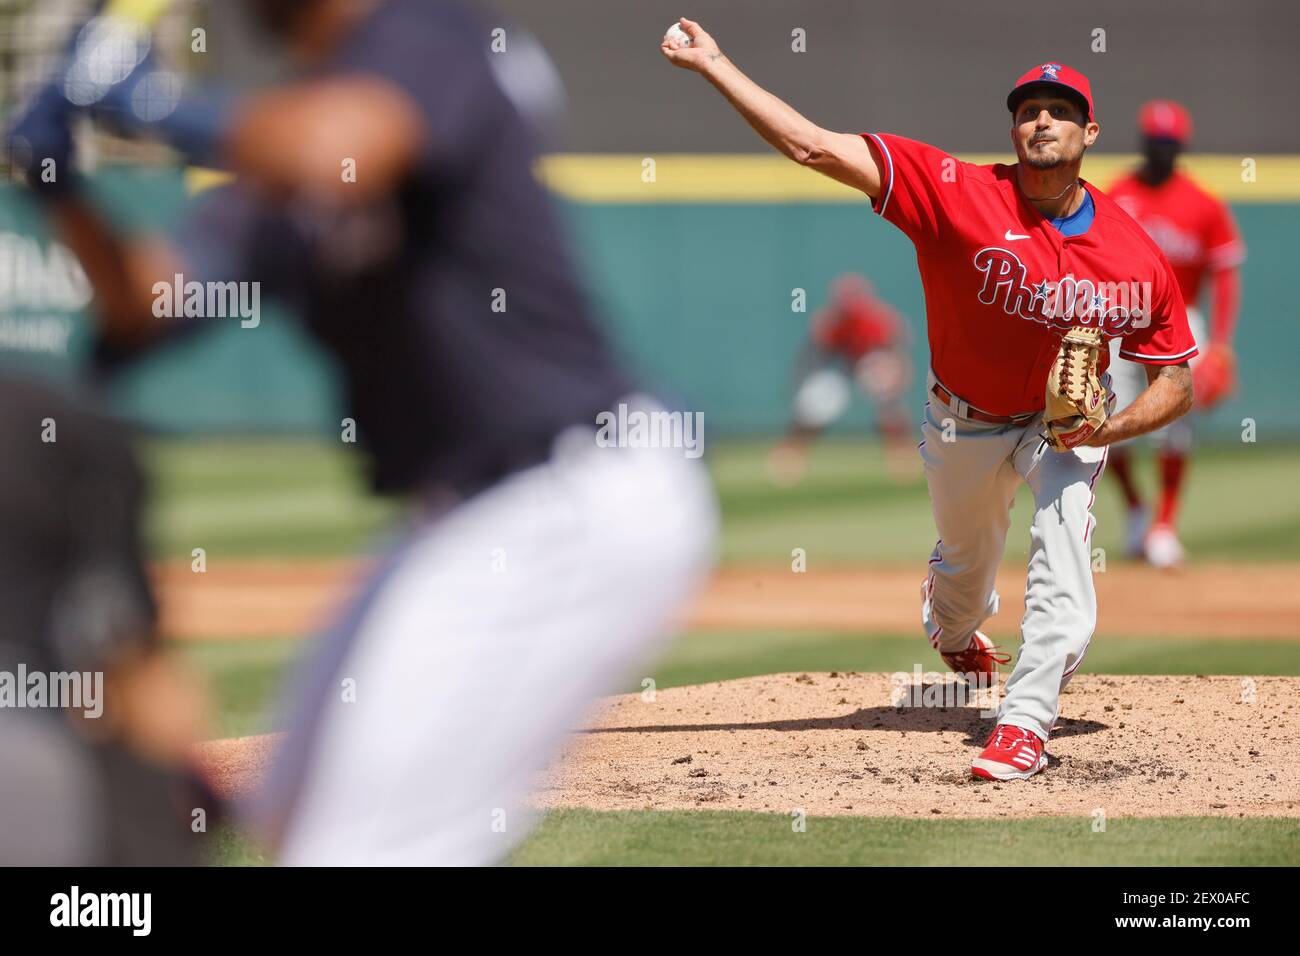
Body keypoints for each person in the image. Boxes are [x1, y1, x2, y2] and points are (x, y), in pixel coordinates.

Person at [10, 0, 715, 863]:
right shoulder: (293, 132)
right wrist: (61, 189)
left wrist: (146, 103)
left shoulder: (427, 33)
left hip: (570, 497)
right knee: (284, 813)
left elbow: (332, 152)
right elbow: (148, 303)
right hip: (460, 517)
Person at [662, 21, 1194, 780]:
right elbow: (814, 145)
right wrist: (717, 66)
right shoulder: (953, 190)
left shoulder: (1132, 249)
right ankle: (950, 622)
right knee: (965, 573)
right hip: (963, 421)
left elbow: (1177, 379)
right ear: (1013, 128)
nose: (1042, 119)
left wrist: (1111, 424)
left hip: (1063, 431)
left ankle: (1024, 724)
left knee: (1064, 556)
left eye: (1061, 109)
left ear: (1091, 130)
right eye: (1028, 109)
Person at [1104, 100, 1245, 567]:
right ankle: (1137, 512)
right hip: (1120, 319)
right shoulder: (1117, 193)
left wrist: (1221, 345)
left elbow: (1225, 273)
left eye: (1169, 143)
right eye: (1155, 141)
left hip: (1180, 319)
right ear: (1143, 142)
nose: (1161, 150)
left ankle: (1164, 525)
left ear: (1179, 146)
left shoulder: (1202, 202)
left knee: (1174, 432)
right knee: (1109, 427)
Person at [768, 274, 916, 486]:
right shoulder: (830, 322)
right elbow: (815, 357)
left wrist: (897, 382)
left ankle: (901, 454)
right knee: (817, 401)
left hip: (871, 362)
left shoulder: (879, 321)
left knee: (887, 398)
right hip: (841, 366)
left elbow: (898, 357)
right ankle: (792, 453)